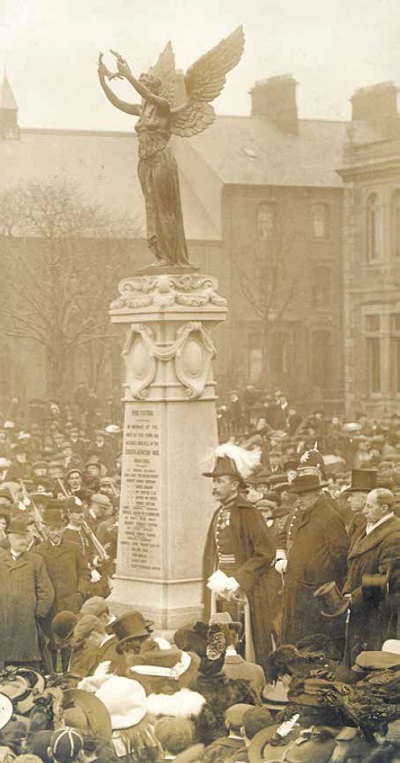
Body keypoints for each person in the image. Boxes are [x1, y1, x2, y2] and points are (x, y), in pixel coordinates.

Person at [202, 452, 276, 671]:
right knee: (222, 632)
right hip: (222, 587)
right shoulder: (219, 512)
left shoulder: (249, 513)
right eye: (214, 481)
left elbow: (265, 553)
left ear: (234, 485)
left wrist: (239, 580)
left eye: (220, 481)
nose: (214, 486)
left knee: (245, 636)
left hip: (246, 589)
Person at [275, 472, 349, 648]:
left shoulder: (329, 517)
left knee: (312, 642)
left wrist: (325, 583)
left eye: (303, 495)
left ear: (316, 494)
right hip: (300, 591)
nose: (299, 500)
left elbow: (341, 557)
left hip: (315, 595)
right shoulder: (306, 514)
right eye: (297, 496)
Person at [342, 488, 400, 663]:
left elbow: (384, 578)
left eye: (369, 506)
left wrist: (353, 597)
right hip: (363, 606)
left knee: (371, 661)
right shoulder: (369, 527)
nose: (364, 510)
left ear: (384, 508)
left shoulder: (394, 535)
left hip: (377, 611)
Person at [34, 504, 90, 670]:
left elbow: (84, 573)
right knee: (50, 643)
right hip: (50, 608)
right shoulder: (38, 551)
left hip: (70, 605)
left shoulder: (74, 548)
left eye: (59, 528)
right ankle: (52, 674)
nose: (56, 533)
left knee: (69, 643)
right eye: (52, 529)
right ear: (45, 529)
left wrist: (80, 594)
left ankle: (68, 673)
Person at [0, 514, 54, 668]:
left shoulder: (36, 561)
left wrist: (36, 614)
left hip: (26, 623)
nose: (24, 540)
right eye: (19, 537)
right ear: (9, 537)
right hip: (2, 621)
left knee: (25, 665)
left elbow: (46, 592)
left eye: (26, 536)